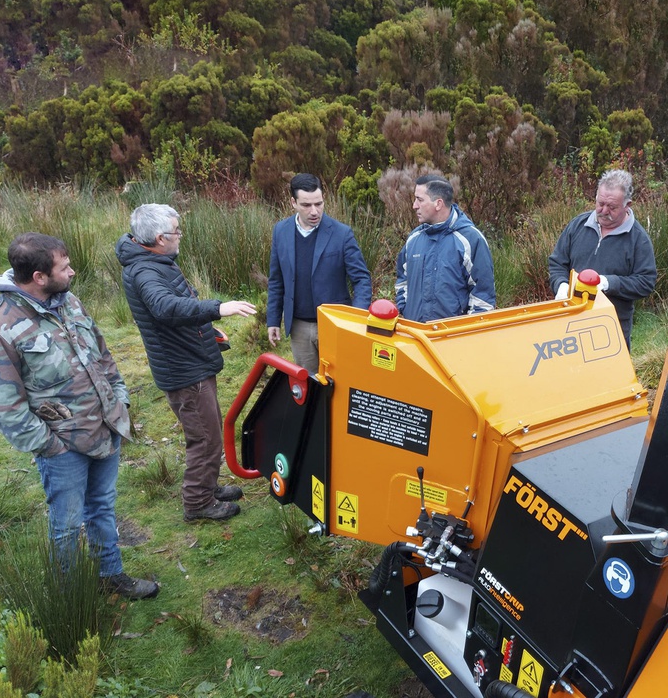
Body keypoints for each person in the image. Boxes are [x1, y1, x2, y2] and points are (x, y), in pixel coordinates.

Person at [0, 233, 159, 600]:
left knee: (103, 507)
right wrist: (48, 445)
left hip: (105, 426)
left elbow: (102, 352)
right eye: (64, 267)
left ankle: (110, 575)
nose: (72, 271)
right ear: (39, 276)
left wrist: (120, 398)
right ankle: (72, 597)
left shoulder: (69, 301)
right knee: (67, 525)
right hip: (62, 446)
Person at [116, 204, 256, 523]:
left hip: (189, 358)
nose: (181, 236)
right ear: (160, 237)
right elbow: (166, 308)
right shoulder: (145, 270)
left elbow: (174, 309)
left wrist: (205, 327)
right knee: (204, 437)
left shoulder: (153, 260)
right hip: (184, 371)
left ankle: (208, 487)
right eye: (177, 231)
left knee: (209, 431)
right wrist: (219, 309)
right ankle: (197, 503)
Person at [267, 173, 372, 374]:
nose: (314, 211)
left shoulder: (342, 234)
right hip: (299, 327)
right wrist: (273, 320)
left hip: (336, 326)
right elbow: (276, 280)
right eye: (307, 205)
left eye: (319, 203)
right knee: (308, 385)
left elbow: (361, 279)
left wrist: (356, 319)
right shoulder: (280, 231)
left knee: (340, 383)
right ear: (293, 202)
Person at [549, 169, 656, 350]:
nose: (603, 211)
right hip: (570, 325)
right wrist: (560, 285)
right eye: (600, 203)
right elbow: (557, 263)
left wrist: (609, 283)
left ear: (627, 205)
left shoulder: (638, 239)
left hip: (611, 330)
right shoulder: (578, 225)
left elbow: (646, 282)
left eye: (612, 207)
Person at [396, 175, 496, 322]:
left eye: (420, 199)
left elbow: (483, 297)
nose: (414, 205)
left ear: (438, 204)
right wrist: (404, 307)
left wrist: (466, 333)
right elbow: (402, 279)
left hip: (452, 339)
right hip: (416, 334)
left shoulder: (470, 240)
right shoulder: (413, 239)